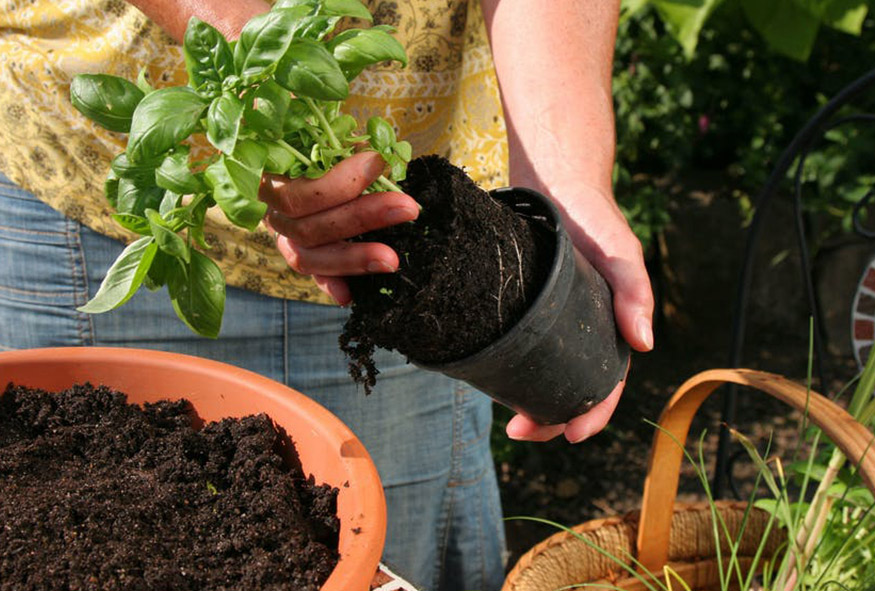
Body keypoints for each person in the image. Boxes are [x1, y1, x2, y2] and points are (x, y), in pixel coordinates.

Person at [0, 0, 653, 589]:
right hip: (88, 189)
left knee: (391, 550)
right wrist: (252, 58)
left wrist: (565, 180)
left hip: (406, 243)